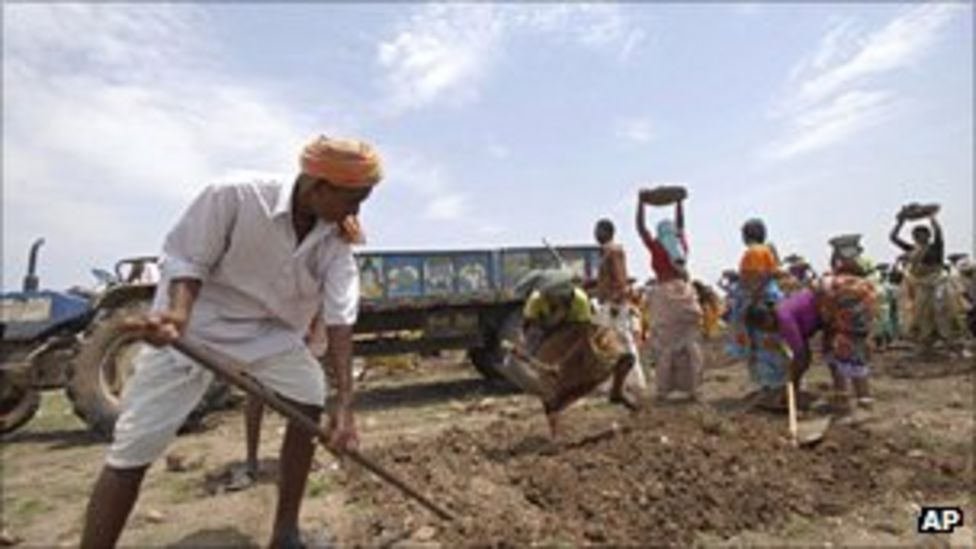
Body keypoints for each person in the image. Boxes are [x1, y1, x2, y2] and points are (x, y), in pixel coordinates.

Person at [79, 135, 382, 549]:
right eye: (353, 198)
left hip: (268, 334)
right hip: (197, 329)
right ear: (317, 186)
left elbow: (340, 316)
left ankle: (286, 533)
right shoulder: (235, 196)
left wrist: (345, 405)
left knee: (309, 394)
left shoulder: (336, 238)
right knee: (134, 448)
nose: (357, 210)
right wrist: (179, 315)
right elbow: (188, 257)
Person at [500, 269, 637, 438]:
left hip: (577, 335)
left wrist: (565, 362)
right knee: (551, 389)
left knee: (624, 357)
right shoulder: (536, 302)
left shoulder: (579, 299)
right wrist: (539, 359)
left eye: (562, 295)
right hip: (548, 336)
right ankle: (555, 432)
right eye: (554, 296)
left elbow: (583, 335)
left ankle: (617, 392)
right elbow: (531, 332)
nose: (558, 298)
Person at [636, 190, 704, 401]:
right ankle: (692, 389)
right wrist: (678, 203)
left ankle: (664, 390)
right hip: (685, 294)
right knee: (688, 344)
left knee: (665, 346)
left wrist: (641, 204)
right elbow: (681, 225)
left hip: (664, 296)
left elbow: (640, 228)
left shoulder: (656, 247)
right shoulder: (680, 245)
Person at [725, 219, 789, 404]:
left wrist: (751, 298)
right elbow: (769, 274)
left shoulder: (753, 252)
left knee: (762, 347)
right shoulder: (767, 251)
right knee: (772, 345)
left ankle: (770, 387)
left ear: (746, 235)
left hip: (759, 302)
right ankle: (775, 386)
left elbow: (757, 277)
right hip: (769, 298)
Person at [889, 210, 960, 354]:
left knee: (941, 312)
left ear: (928, 236)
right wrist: (900, 222)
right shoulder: (913, 249)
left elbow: (939, 232)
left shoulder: (935, 247)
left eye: (921, 234)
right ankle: (926, 344)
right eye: (915, 235)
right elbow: (893, 238)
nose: (918, 237)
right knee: (922, 315)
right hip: (922, 287)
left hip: (937, 285)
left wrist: (932, 218)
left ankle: (949, 343)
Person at [816, 253, 877, 413]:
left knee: (838, 365)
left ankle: (847, 402)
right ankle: (864, 403)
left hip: (840, 330)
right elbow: (873, 309)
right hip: (861, 330)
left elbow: (825, 307)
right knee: (858, 366)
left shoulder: (834, 283)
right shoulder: (867, 285)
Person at [592, 218, 647, 394]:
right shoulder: (606, 252)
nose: (595, 234)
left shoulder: (614, 251)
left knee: (622, 340)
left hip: (615, 304)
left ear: (607, 232)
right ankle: (616, 381)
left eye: (598, 230)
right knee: (608, 343)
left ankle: (634, 381)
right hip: (610, 303)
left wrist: (616, 301)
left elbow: (620, 279)